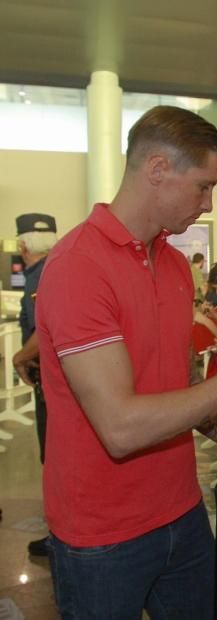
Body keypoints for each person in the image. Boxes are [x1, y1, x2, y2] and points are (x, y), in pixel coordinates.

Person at [34, 105, 217, 618]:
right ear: (158, 169)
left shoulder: (176, 264)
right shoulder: (78, 267)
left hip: (181, 512)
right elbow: (120, 427)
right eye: (203, 186)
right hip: (102, 534)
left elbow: (179, 377)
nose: (207, 204)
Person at [11, 212, 57, 557]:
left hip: (51, 380)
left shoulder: (43, 275)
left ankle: (61, 533)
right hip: (50, 378)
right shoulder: (46, 270)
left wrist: (19, 357)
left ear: (23, 243)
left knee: (55, 455)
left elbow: (45, 330)